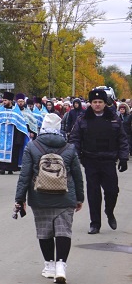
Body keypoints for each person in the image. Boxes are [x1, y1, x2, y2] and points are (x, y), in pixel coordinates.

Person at [14, 113, 84, 284]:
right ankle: (61, 265)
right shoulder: (69, 148)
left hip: (40, 196)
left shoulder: (32, 146)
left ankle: (49, 266)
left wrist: (20, 198)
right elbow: (77, 175)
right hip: (65, 195)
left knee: (44, 230)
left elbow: (25, 175)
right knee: (63, 230)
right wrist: (79, 198)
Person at [67, 88, 129, 234]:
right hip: (90, 160)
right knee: (93, 193)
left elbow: (122, 139)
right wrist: (76, 157)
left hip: (108, 160)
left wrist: (124, 158)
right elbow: (75, 139)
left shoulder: (113, 118)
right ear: (90, 103)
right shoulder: (83, 119)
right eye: (94, 102)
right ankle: (95, 223)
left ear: (105, 103)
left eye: (100, 102)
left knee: (112, 191)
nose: (97, 105)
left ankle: (109, 211)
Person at [0, 91, 32, 176]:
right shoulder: (0, 110)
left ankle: (10, 168)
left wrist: (19, 138)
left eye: (6, 100)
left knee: (13, 152)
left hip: (13, 136)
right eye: (3, 100)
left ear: (10, 101)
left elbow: (21, 125)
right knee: (0, 149)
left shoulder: (16, 111)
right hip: (1, 135)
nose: (4, 102)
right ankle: (2, 168)